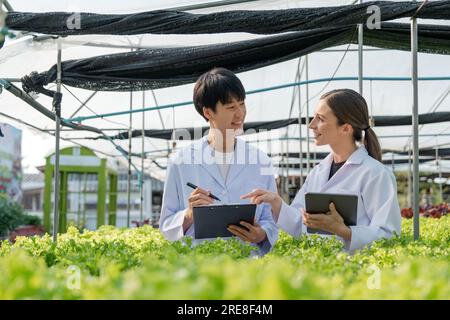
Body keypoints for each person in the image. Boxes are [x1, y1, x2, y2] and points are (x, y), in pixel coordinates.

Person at [241, 89, 401, 252]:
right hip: (319, 271)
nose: (311, 125)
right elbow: (299, 223)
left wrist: (343, 230)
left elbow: (388, 235)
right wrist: (276, 202)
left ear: (345, 128)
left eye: (320, 119)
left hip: (356, 271)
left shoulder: (375, 174)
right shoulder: (318, 171)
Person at [159, 67, 278, 254]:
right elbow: (166, 226)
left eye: (242, 104)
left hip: (248, 266)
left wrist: (261, 234)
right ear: (208, 112)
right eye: (231, 107)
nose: (240, 114)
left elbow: (270, 220)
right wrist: (189, 214)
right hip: (199, 266)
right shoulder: (181, 162)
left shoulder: (260, 160)